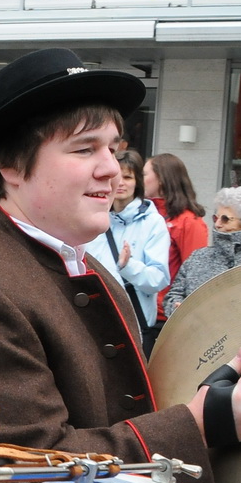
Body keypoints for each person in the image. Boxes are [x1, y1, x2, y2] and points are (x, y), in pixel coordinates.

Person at [0, 47, 241, 483]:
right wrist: (196, 427)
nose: (111, 169)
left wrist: (201, 398)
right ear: (11, 165)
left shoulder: (83, 266)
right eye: (84, 148)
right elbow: (22, 476)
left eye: (112, 147)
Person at [82, 148, 169, 353]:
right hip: (94, 323)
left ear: (138, 181)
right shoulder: (94, 216)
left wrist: (128, 266)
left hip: (133, 328)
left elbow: (158, 280)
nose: (120, 183)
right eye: (116, 176)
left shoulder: (153, 222)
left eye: (128, 177)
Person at [164, 186, 241, 311]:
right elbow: (173, 295)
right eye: (216, 218)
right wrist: (177, 308)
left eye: (225, 219)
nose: (217, 224)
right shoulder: (198, 257)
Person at [146, 152, 206, 338]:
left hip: (166, 317)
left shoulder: (188, 222)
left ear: (162, 180)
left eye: (144, 175)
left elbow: (195, 275)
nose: (138, 181)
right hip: (139, 308)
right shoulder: (142, 216)